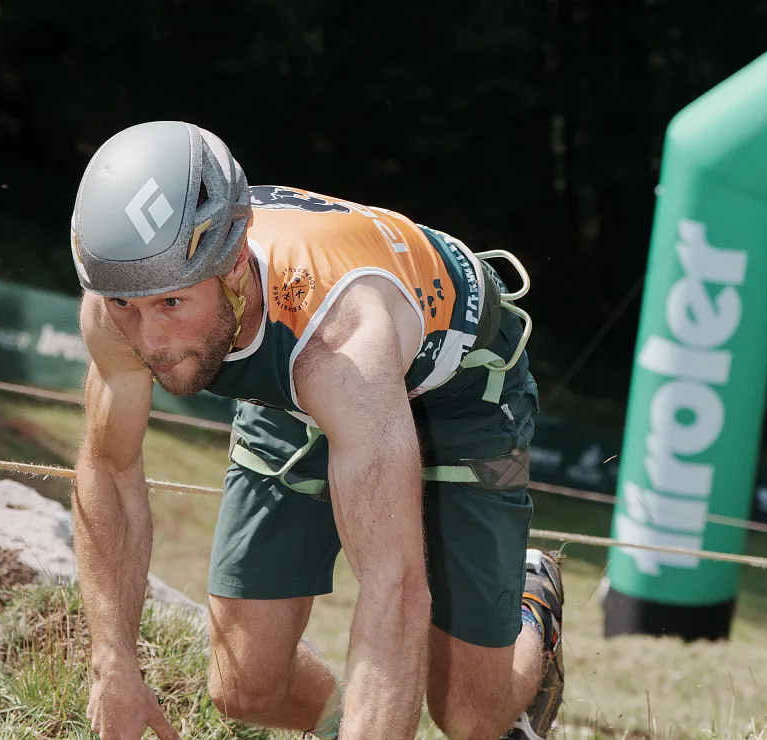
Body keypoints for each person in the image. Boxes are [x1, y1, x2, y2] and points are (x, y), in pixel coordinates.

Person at [69, 120, 566, 740]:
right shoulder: (120, 298)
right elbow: (111, 469)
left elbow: (394, 586)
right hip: (300, 391)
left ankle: (532, 606)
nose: (150, 343)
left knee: (470, 715)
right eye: (127, 307)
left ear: (232, 266)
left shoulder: (340, 342)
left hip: (459, 393)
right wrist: (112, 663)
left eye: (172, 304)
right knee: (247, 685)